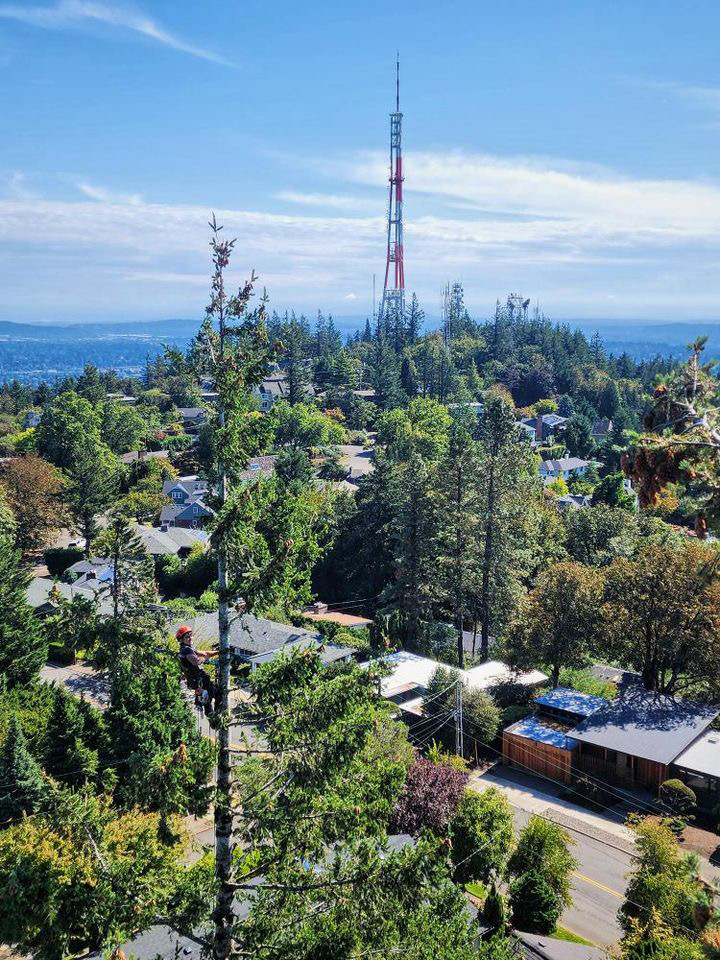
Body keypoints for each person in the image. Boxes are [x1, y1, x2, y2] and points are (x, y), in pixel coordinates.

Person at [176, 625, 215, 716]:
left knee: (208, 699)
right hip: (198, 680)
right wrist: (206, 658)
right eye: (187, 637)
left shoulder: (188, 649)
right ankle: (212, 716)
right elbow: (196, 661)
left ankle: (206, 710)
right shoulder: (186, 650)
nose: (190, 638)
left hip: (195, 681)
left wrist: (219, 652)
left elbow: (205, 653)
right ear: (181, 640)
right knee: (216, 693)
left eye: (191, 635)